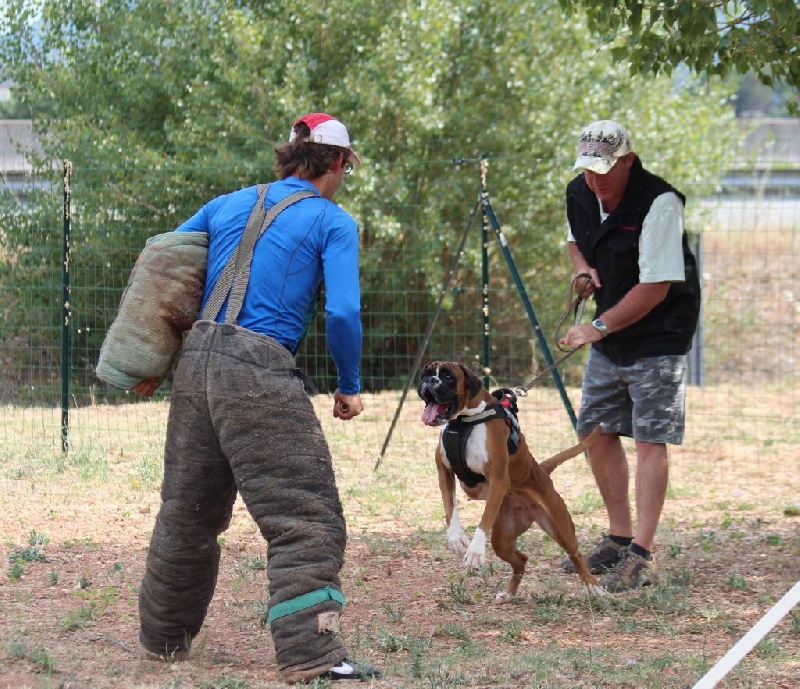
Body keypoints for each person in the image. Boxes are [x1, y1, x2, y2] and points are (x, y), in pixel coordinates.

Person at [136, 112, 380, 682]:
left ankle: (163, 639)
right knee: (305, 515)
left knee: (187, 511)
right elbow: (343, 311)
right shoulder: (333, 221)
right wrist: (349, 383)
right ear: (341, 162)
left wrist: (147, 355)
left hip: (196, 365)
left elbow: (161, 261)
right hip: (258, 367)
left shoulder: (227, 203)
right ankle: (310, 654)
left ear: (292, 154)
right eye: (347, 167)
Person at [559, 120, 701, 592]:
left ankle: (641, 552)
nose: (594, 180)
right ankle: (618, 537)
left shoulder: (660, 203)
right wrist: (584, 270)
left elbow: (657, 287)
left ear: (627, 161)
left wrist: (596, 328)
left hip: (659, 331)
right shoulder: (579, 192)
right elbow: (575, 241)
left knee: (648, 437)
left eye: (603, 170)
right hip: (610, 329)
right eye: (588, 170)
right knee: (594, 430)